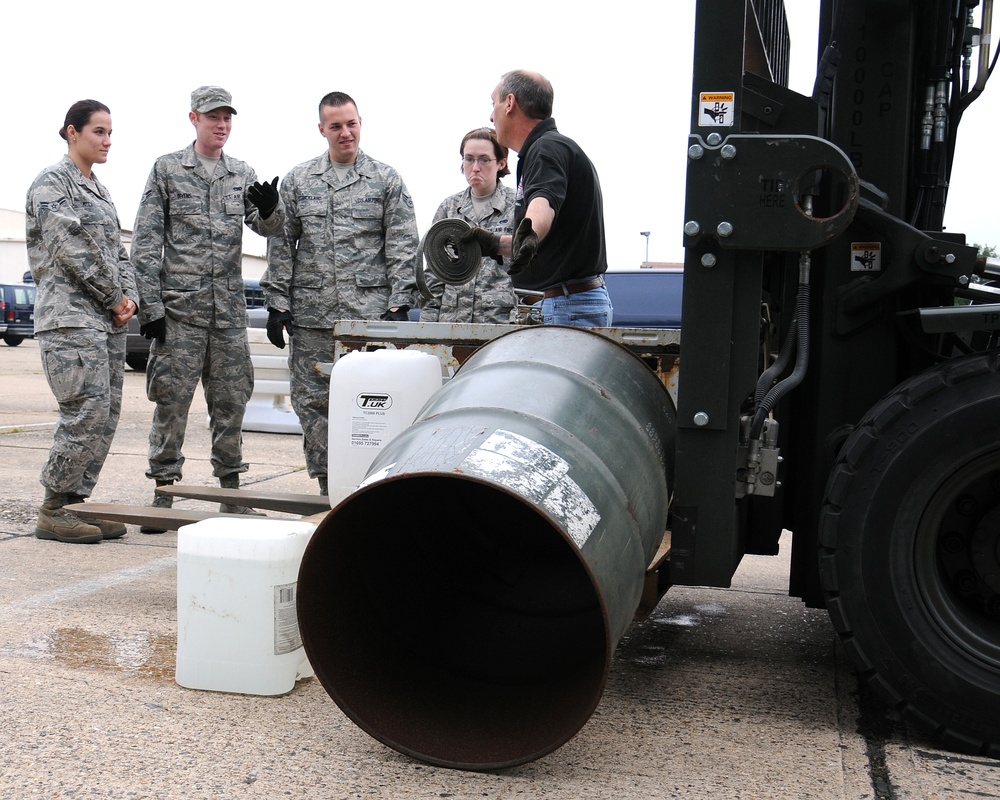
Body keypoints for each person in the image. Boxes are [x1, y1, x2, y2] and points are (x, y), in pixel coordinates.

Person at [130, 86, 285, 531]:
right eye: (214, 117)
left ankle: (231, 494)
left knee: (231, 404)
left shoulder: (241, 173)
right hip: (179, 314)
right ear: (194, 118)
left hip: (228, 316)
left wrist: (271, 211)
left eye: (228, 118)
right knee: (171, 404)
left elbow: (265, 227)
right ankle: (164, 494)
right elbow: (145, 242)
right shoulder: (167, 170)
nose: (222, 125)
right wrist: (151, 307)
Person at [261, 91, 418, 496]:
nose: (345, 133)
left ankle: (371, 487)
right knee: (313, 405)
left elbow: (401, 245)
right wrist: (277, 302)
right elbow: (281, 243)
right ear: (322, 130)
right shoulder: (299, 180)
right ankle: (328, 485)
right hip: (313, 317)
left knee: (372, 405)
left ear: (360, 122)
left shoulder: (386, 180)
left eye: (350, 123)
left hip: (370, 320)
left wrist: (400, 304)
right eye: (335, 126)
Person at [25, 99, 138, 544]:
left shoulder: (100, 190)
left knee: (106, 414)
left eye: (111, 133)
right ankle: (55, 506)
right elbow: (72, 247)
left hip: (106, 320)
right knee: (85, 410)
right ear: (72, 132)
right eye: (98, 132)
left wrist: (129, 297)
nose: (107, 141)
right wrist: (114, 296)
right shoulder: (52, 183)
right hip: (70, 319)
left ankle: (77, 502)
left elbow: (118, 250)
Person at [465, 70, 613, 327]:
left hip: (565, 307)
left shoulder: (545, 149)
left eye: (494, 103)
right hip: (571, 304)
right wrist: (493, 244)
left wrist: (531, 229)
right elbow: (539, 242)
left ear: (510, 103)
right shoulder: (553, 147)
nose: (491, 116)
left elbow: (543, 204)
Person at [420, 127, 517, 323]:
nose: (475, 167)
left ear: (501, 163)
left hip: (500, 323)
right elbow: (433, 274)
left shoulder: (517, 207)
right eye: (469, 159)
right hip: (452, 321)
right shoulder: (449, 208)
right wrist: (427, 327)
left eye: (484, 159)